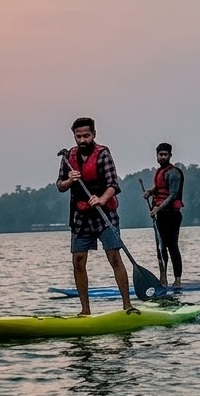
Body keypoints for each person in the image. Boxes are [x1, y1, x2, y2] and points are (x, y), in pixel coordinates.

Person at [56, 117, 138, 316]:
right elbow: (60, 186)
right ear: (74, 136)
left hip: (105, 214)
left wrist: (101, 199)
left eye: (86, 135)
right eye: (79, 136)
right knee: (78, 261)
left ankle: (127, 306)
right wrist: (70, 180)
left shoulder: (103, 154)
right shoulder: (68, 157)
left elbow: (113, 185)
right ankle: (85, 310)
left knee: (114, 258)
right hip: (80, 216)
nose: (82, 140)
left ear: (94, 134)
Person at [144, 142, 184, 289]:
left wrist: (157, 208)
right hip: (160, 215)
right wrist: (150, 192)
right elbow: (159, 187)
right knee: (161, 247)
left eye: (165, 154)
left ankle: (178, 280)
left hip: (172, 215)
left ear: (170, 155)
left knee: (172, 246)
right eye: (160, 155)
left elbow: (173, 195)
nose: (162, 157)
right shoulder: (160, 171)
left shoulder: (173, 173)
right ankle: (163, 278)